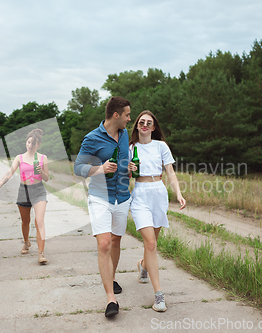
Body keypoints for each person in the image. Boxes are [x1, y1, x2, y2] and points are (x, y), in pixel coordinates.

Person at [74, 96, 132, 318]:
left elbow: (124, 162)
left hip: (122, 196)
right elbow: (78, 167)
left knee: (116, 240)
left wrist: (129, 167)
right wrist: (100, 169)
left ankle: (112, 276)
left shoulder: (125, 134)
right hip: (100, 197)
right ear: (116, 115)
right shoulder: (92, 138)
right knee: (105, 243)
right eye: (127, 115)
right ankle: (111, 298)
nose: (129, 119)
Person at [127, 110, 186, 312]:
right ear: (136, 126)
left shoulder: (161, 146)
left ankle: (143, 265)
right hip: (140, 194)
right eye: (141, 122)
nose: (144, 125)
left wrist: (178, 194)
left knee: (153, 242)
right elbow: (126, 175)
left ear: (153, 127)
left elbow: (170, 172)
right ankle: (159, 295)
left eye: (148, 122)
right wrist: (128, 169)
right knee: (150, 243)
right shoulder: (130, 148)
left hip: (159, 193)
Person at [0, 129, 50, 264]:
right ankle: (26, 242)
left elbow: (47, 178)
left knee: (39, 221)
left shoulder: (43, 158)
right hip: (24, 190)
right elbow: (9, 173)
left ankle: (41, 253)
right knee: (25, 221)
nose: (30, 145)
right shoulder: (20, 158)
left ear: (38, 145)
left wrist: (41, 171)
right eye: (28, 142)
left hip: (38, 190)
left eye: (33, 144)